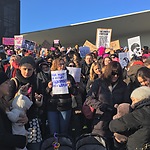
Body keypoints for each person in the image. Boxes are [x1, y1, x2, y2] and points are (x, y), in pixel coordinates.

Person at [85, 61, 129, 150]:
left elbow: (126, 101)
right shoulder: (99, 83)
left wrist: (120, 107)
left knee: (116, 145)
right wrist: (101, 106)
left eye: (118, 74)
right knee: (99, 144)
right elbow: (89, 99)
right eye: (113, 74)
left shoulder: (123, 85)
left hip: (116, 119)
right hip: (101, 119)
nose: (115, 76)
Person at [6, 56, 43, 150]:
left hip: (32, 120)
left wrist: (38, 100)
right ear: (19, 68)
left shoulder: (37, 82)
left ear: (34, 69)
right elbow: (6, 103)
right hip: (17, 122)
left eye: (29, 69)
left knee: (34, 147)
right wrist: (19, 94)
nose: (27, 72)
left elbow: (38, 105)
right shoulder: (13, 82)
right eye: (24, 69)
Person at [46, 58, 78, 136]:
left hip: (65, 107)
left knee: (64, 131)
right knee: (54, 132)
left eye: (63, 64)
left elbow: (76, 92)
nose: (62, 66)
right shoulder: (50, 76)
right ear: (55, 65)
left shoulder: (69, 77)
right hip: (52, 107)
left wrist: (70, 87)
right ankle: (55, 147)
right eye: (60, 64)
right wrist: (48, 87)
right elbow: (44, 93)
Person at [0, 71, 27, 150]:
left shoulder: (3, 102)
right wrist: (21, 140)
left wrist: (23, 119)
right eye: (6, 83)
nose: (9, 85)